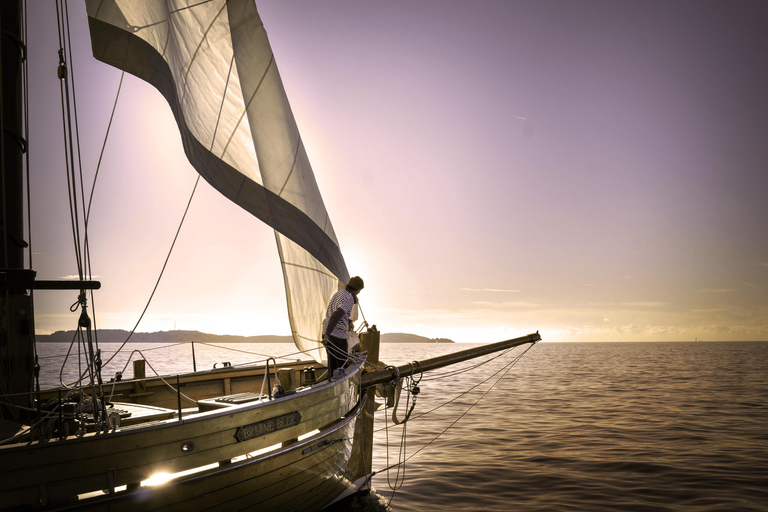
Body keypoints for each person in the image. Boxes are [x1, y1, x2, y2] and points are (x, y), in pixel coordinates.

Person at [322, 276, 364, 380]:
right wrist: (328, 334)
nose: (359, 292)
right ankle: (340, 387)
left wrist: (349, 322)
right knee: (342, 366)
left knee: (332, 366)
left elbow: (338, 313)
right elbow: (337, 315)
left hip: (327, 330)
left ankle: (330, 386)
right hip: (336, 335)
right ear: (357, 289)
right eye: (360, 290)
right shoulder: (349, 298)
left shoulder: (339, 293)